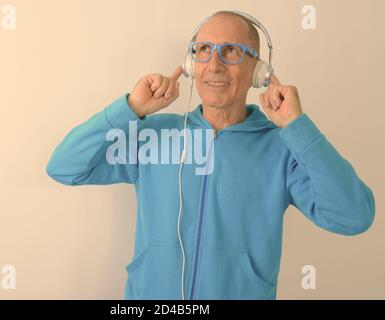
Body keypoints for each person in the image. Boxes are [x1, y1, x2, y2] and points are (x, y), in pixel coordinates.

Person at [46, 11, 375, 300]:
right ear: (191, 64)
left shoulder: (283, 148)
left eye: (230, 51)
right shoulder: (155, 135)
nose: (214, 64)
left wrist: (297, 127)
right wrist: (130, 108)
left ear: (258, 70)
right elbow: (64, 167)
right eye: (203, 50)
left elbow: (353, 217)